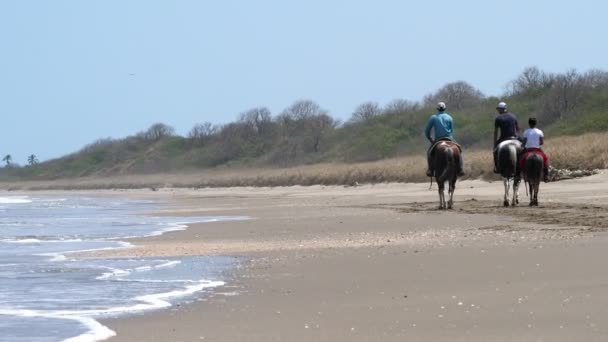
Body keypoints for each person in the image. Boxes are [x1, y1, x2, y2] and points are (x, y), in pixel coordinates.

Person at [424, 102, 464, 177]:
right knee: (459, 150)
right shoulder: (449, 117)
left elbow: (427, 131)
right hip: (449, 138)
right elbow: (451, 130)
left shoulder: (433, 117)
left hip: (438, 139)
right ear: (445, 109)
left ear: (437, 109)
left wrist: (430, 138)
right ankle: (461, 169)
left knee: (429, 153)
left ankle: (430, 170)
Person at [493, 101, 520, 173]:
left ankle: (496, 167)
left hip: (503, 139)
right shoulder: (513, 116)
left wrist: (495, 143)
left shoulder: (498, 118)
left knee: (495, 152)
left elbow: (496, 132)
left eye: (498, 109)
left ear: (501, 109)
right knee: (524, 149)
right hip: (514, 138)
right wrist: (517, 136)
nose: (498, 110)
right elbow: (518, 129)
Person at [519, 117, 550, 182]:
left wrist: (521, 146)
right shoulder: (540, 131)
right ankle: (546, 175)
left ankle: (522, 174)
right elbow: (541, 142)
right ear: (535, 123)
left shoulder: (526, 131)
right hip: (537, 149)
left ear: (529, 123)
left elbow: (524, 142)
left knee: (521, 161)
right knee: (545, 160)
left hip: (528, 150)